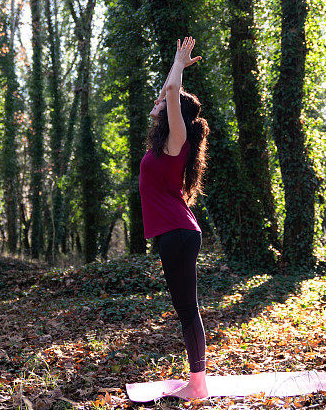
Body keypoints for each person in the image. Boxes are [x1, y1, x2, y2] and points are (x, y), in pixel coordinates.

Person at [139, 36, 211, 399]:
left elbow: (171, 92)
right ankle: (196, 381)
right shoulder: (163, 144)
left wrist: (178, 65)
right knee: (186, 308)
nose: (158, 98)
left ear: (173, 112)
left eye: (164, 100)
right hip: (176, 232)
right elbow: (168, 92)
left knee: (187, 309)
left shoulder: (176, 139)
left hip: (178, 232)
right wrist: (175, 67)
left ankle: (197, 385)